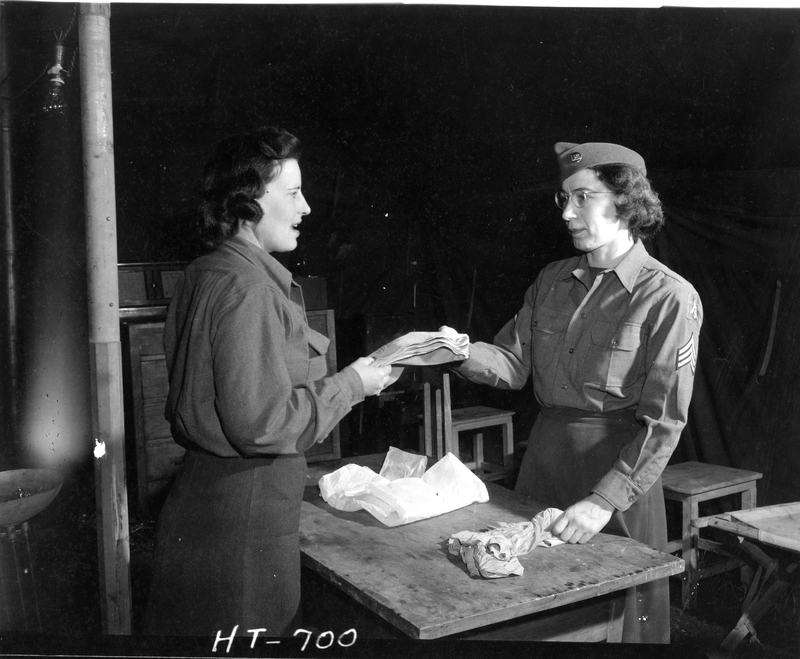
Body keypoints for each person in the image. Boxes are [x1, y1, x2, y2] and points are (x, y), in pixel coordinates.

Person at [444, 141, 702, 643]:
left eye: (583, 197)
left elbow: (664, 422)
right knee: (529, 613)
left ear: (626, 201)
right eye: (564, 198)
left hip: (615, 482)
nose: (567, 213)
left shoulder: (668, 295)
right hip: (542, 468)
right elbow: (512, 364)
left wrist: (604, 501)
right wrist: (454, 350)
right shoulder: (552, 280)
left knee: (618, 623)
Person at [144, 126, 392, 637]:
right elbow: (261, 423)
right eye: (293, 193)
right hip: (246, 517)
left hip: (201, 503)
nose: (306, 208)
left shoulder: (203, 272)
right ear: (250, 201)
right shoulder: (251, 288)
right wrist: (353, 384)